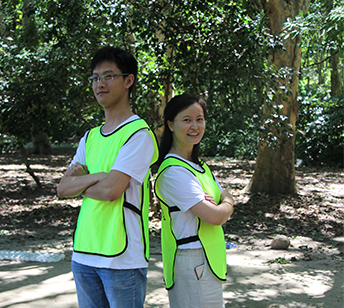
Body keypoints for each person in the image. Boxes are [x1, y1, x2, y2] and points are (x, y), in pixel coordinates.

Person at [56, 47, 158, 308]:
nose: (100, 84)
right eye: (95, 77)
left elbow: (111, 191)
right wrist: (100, 177)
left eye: (109, 76)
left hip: (122, 258)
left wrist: (85, 182)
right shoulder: (89, 137)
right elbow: (63, 188)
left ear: (128, 80)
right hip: (84, 253)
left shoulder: (138, 134)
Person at [155, 93, 235, 308]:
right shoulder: (174, 171)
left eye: (199, 119)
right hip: (192, 260)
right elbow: (215, 215)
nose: (195, 126)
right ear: (171, 124)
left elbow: (221, 201)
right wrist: (227, 203)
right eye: (187, 119)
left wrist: (222, 202)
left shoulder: (200, 167)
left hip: (205, 260)